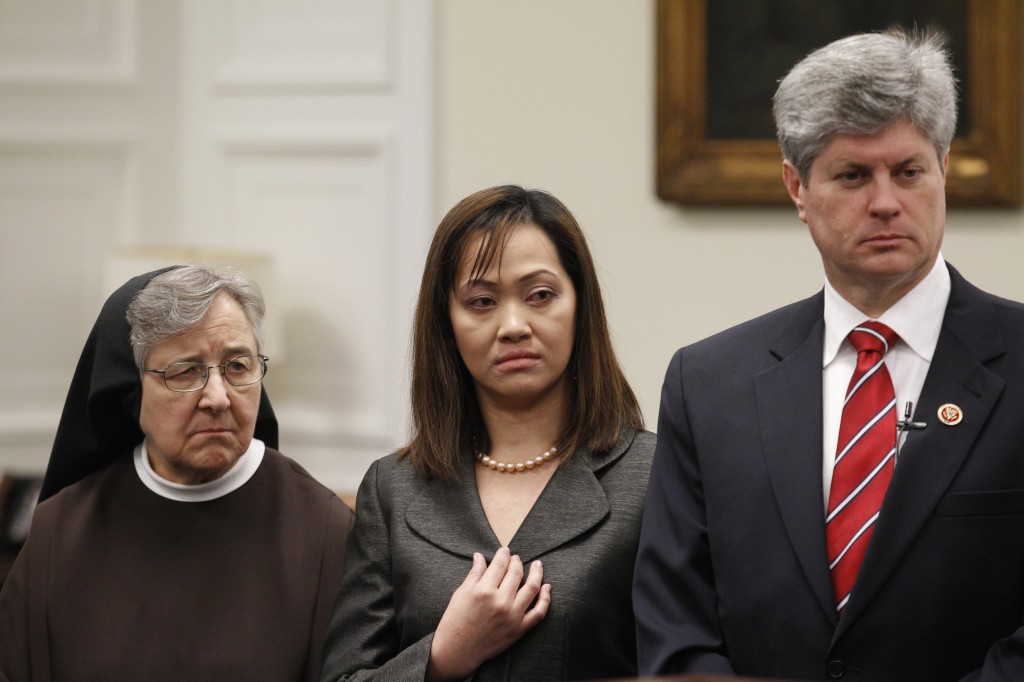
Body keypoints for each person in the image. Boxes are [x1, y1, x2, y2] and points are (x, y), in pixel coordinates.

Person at [634, 29, 1024, 681]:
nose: (885, 203)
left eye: (908, 171)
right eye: (852, 175)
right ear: (797, 188)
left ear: (944, 170)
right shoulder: (708, 386)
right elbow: (675, 628)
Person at [320, 185, 654, 681]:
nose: (513, 325)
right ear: (446, 323)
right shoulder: (392, 488)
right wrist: (442, 657)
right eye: (481, 301)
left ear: (581, 305)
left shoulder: (655, 474)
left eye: (541, 295)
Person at [0, 265, 354, 681]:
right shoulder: (60, 532)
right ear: (131, 389)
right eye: (186, 371)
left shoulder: (327, 533)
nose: (218, 398)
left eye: (238, 366)